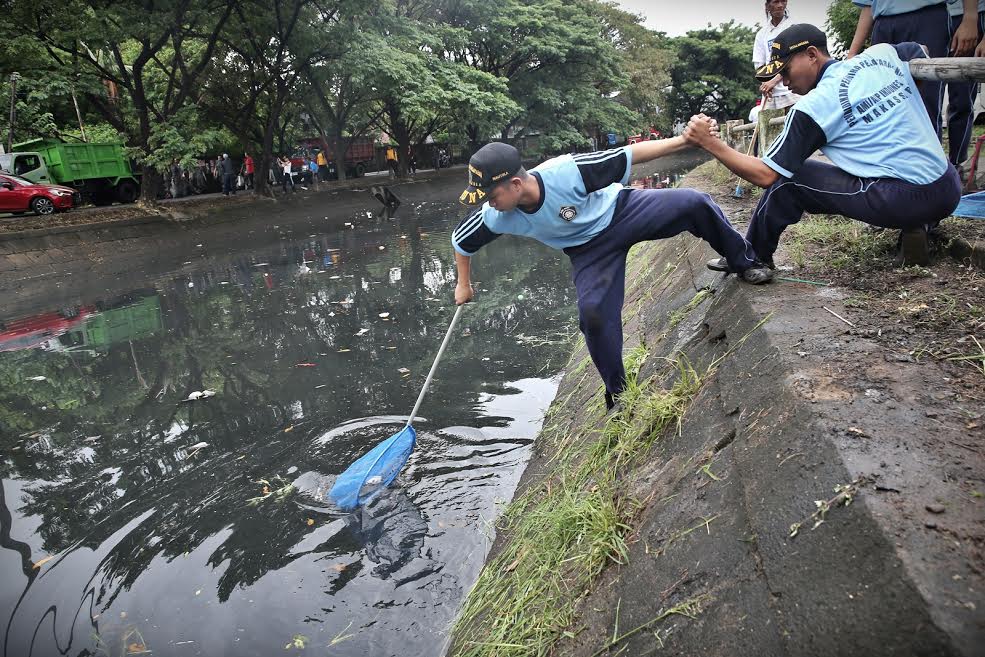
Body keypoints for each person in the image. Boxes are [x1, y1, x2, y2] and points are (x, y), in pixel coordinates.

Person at [450, 141, 772, 413]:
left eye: (491, 196)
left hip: (622, 211)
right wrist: (463, 284)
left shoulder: (566, 172)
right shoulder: (497, 215)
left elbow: (630, 155)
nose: (488, 204)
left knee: (694, 202)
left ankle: (744, 261)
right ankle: (617, 393)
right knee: (593, 315)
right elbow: (461, 240)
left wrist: (687, 141)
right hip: (588, 252)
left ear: (515, 185)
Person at [685, 24, 961, 271]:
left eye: (786, 70)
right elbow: (919, 50)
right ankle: (921, 223)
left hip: (903, 198)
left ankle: (753, 255)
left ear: (812, 55)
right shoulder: (883, 56)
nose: (784, 81)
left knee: (789, 181)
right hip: (949, 186)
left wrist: (710, 143)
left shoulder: (814, 106)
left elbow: (766, 175)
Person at [846, 0, 979, 136]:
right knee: (880, 105)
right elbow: (869, 5)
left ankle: (930, 156)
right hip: (882, 22)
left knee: (926, 104)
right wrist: (852, 53)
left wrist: (970, 17)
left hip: (927, 17)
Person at [945, 0, 985, 165]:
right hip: (932, 15)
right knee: (926, 101)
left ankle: (957, 164)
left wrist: (971, 19)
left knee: (961, 100)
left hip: (971, 19)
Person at [754, 0, 801, 110]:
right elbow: (759, 65)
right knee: (767, 125)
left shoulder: (793, 27)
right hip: (771, 94)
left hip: (792, 91)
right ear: (767, 6)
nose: (780, 5)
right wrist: (766, 84)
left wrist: (774, 81)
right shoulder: (762, 34)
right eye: (775, 2)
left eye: (783, 1)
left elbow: (795, 58)